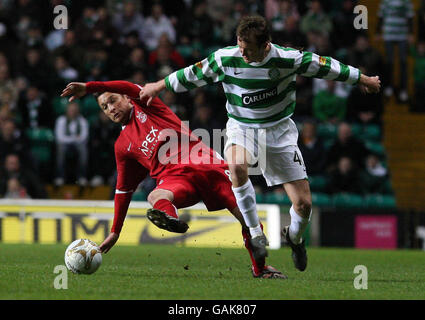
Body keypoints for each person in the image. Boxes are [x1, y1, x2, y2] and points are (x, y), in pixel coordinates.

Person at [139, 15, 381, 272]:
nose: (242, 54)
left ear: (266, 45)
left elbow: (325, 66)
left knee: (303, 204)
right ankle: (255, 234)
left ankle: (295, 239)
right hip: (242, 128)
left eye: (248, 50)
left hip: (279, 133)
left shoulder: (287, 59)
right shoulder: (226, 58)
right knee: (237, 166)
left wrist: (362, 79)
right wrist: (158, 86)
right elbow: (191, 74)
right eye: (239, 46)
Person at [61, 80, 286, 279]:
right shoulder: (123, 146)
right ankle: (169, 217)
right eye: (104, 106)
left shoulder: (146, 104)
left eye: (113, 100)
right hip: (176, 179)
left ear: (127, 99)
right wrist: (115, 231)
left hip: (208, 166)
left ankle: (260, 269)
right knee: (155, 194)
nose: (111, 108)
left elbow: (128, 86)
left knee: (249, 221)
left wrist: (91, 87)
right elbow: (123, 190)